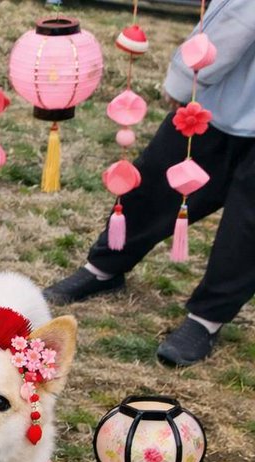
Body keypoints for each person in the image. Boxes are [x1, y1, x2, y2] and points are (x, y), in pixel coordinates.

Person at [43, 0, 255, 366]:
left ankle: (206, 319)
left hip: (222, 89)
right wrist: (188, 77)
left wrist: (185, 77)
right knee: (160, 180)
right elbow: (238, 16)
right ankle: (105, 267)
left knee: (247, 226)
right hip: (222, 98)